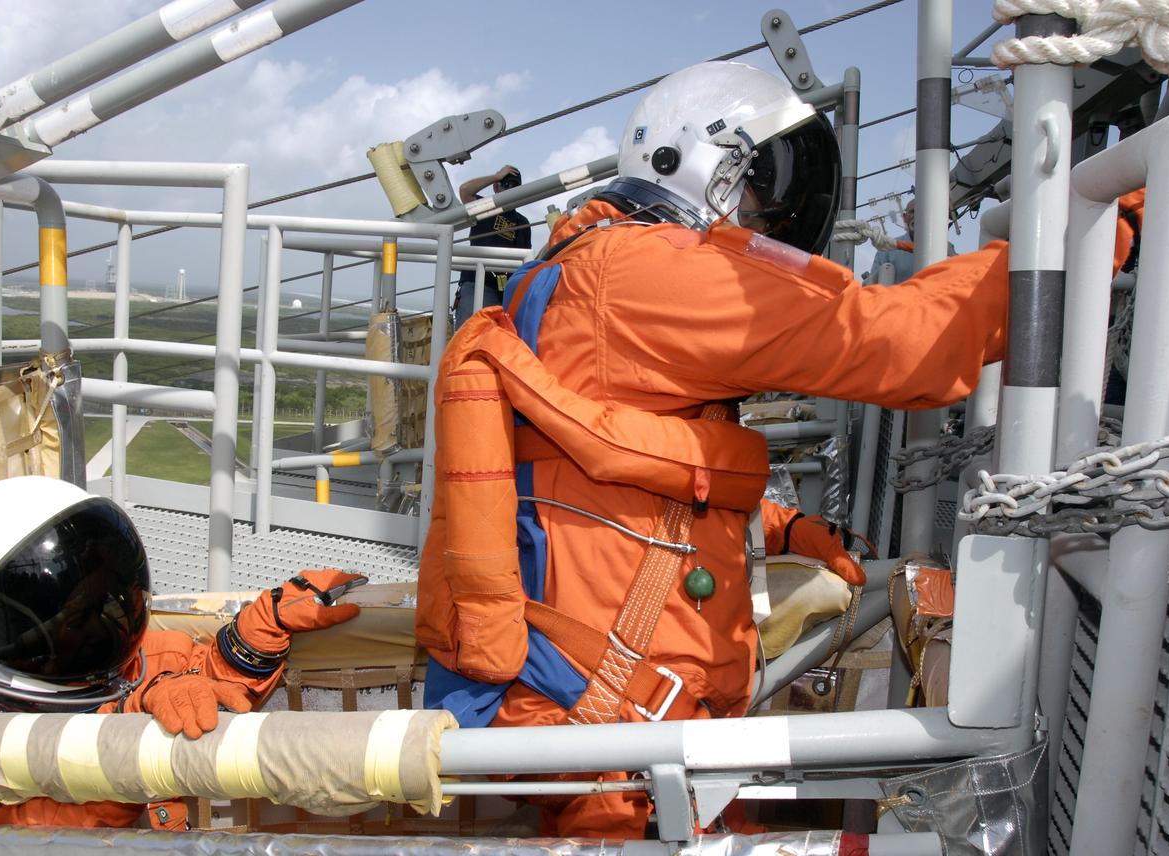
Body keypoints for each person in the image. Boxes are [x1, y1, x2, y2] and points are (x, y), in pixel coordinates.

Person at [416, 61, 1012, 838]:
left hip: (592, 694)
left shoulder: (582, 269)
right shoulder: (648, 273)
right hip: (613, 718)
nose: (765, 218)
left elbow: (610, 468)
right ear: (694, 162)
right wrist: (1058, 247)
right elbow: (909, 346)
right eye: (761, 187)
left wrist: (777, 528)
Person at [0, 475, 361, 829]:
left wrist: (262, 628)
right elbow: (42, 832)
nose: (100, 629)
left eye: (105, 604)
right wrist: (127, 734)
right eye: (74, 618)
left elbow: (206, 690)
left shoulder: (121, 665)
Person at [454, 164, 532, 327]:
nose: (511, 190)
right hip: (477, 284)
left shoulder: (522, 222)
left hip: (507, 291)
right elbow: (465, 191)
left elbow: (526, 262)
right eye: (507, 185)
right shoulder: (484, 207)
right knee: (469, 337)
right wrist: (496, 176)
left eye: (515, 186)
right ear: (497, 187)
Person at [866, 198, 955, 284]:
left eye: (922, 211)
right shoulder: (887, 248)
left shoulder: (946, 247)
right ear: (904, 217)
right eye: (912, 212)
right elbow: (873, 284)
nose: (917, 215)